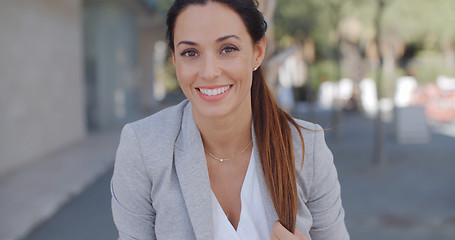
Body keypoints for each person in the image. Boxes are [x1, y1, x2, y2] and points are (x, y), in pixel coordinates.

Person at [110, 0, 349, 239]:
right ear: (175, 59)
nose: (209, 71)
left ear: (257, 52)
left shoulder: (306, 147)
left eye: (228, 49)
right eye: (190, 53)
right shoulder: (143, 147)